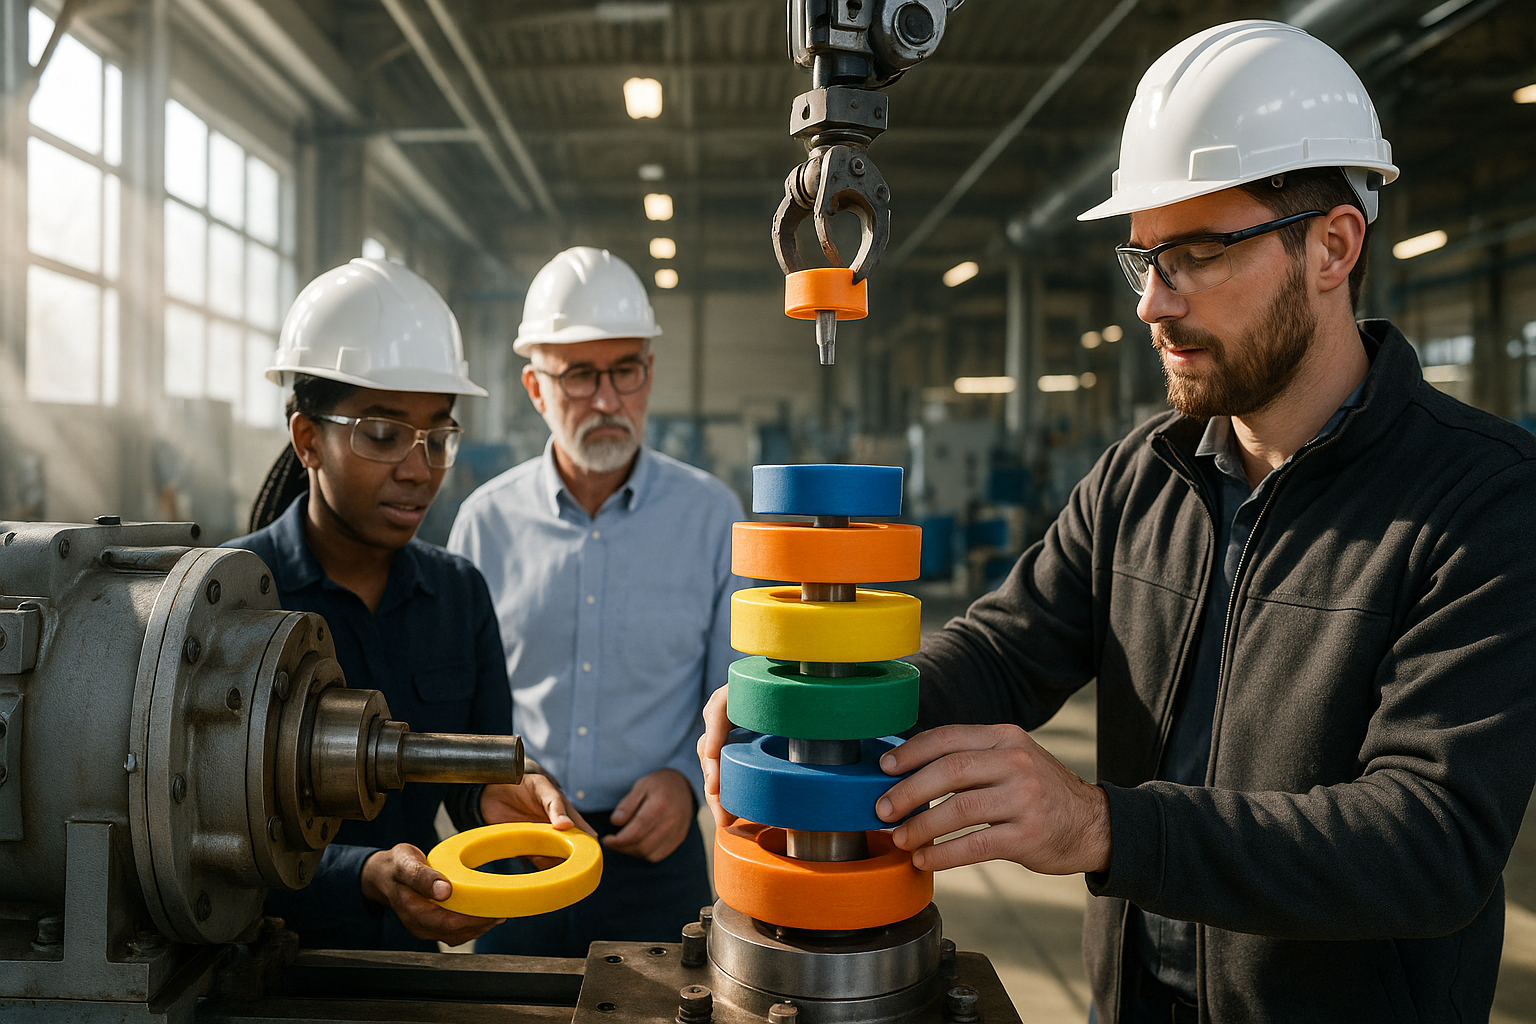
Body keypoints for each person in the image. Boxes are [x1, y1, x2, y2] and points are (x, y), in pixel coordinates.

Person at [700, 20, 1536, 1024]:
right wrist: (826, 710)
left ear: (1333, 246)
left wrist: (1104, 826)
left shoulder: (1480, 499)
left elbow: (1427, 842)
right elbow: (1005, 650)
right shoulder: (1146, 476)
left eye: (1194, 253)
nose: (1152, 304)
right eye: (1143, 259)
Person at [232, 257, 589, 952]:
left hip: (411, 970)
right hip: (259, 968)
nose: (419, 468)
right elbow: (193, 834)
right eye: (383, 433)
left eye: (438, 435)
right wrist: (359, 873)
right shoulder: (235, 598)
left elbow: (464, 781)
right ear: (309, 439)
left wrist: (494, 797)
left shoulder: (458, 597)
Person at [448, 246, 747, 958]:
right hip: (519, 845)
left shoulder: (712, 518)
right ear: (534, 387)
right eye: (580, 375)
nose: (608, 399)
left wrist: (683, 774)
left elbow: (739, 691)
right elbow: (458, 703)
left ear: (649, 373)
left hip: (658, 849)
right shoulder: (483, 525)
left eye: (627, 370)